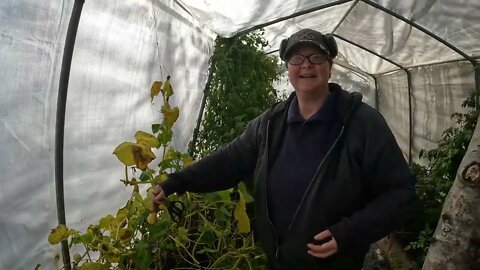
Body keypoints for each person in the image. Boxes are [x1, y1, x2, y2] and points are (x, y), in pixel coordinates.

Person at [153, 28, 417, 270]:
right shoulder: (270, 124)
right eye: (296, 58)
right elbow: (228, 161)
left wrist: (349, 233)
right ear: (287, 68)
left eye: (316, 57)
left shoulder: (362, 124)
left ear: (330, 66)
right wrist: (175, 182)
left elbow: (401, 194)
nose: (306, 65)